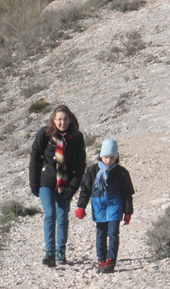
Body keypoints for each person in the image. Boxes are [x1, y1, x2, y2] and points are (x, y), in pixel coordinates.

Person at [28, 105, 86, 267]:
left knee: (62, 216)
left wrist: (73, 187)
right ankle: (50, 253)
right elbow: (34, 158)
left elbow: (81, 165)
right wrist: (34, 183)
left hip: (65, 184)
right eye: (59, 119)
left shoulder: (77, 137)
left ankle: (61, 251)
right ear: (54, 120)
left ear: (70, 120)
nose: (62, 123)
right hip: (46, 182)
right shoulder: (45, 134)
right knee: (50, 214)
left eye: (65, 119)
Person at [74, 138, 135, 273]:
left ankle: (111, 260)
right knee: (101, 233)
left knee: (113, 233)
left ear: (116, 157)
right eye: (106, 157)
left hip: (115, 205)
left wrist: (128, 212)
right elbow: (85, 190)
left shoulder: (121, 172)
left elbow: (127, 193)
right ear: (101, 156)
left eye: (112, 158)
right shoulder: (92, 171)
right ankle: (101, 260)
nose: (108, 161)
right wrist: (81, 207)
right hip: (99, 205)